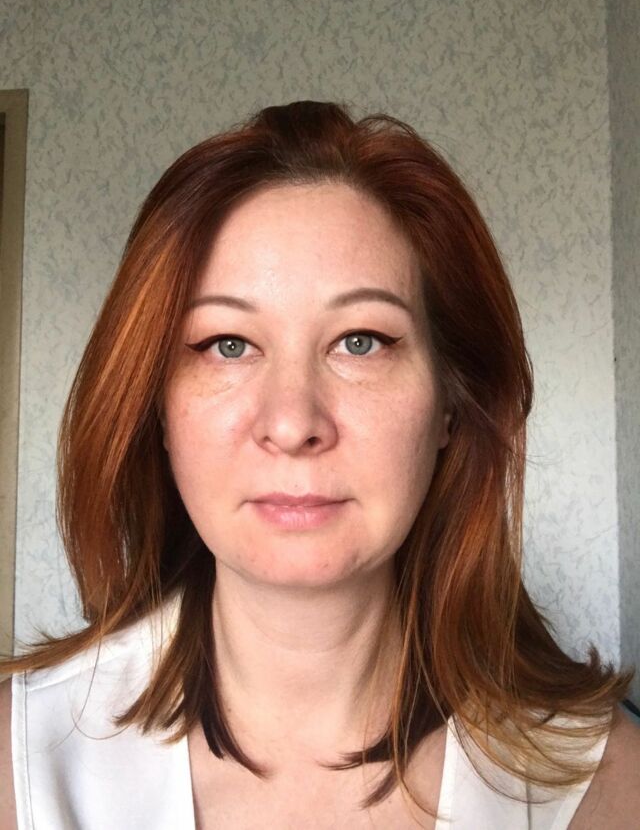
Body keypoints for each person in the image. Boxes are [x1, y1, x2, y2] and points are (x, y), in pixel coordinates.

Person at [1, 99, 639, 829]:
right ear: (157, 411)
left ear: (451, 404)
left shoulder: (607, 787)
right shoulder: (18, 771)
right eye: (228, 345)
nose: (292, 422)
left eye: (360, 341)